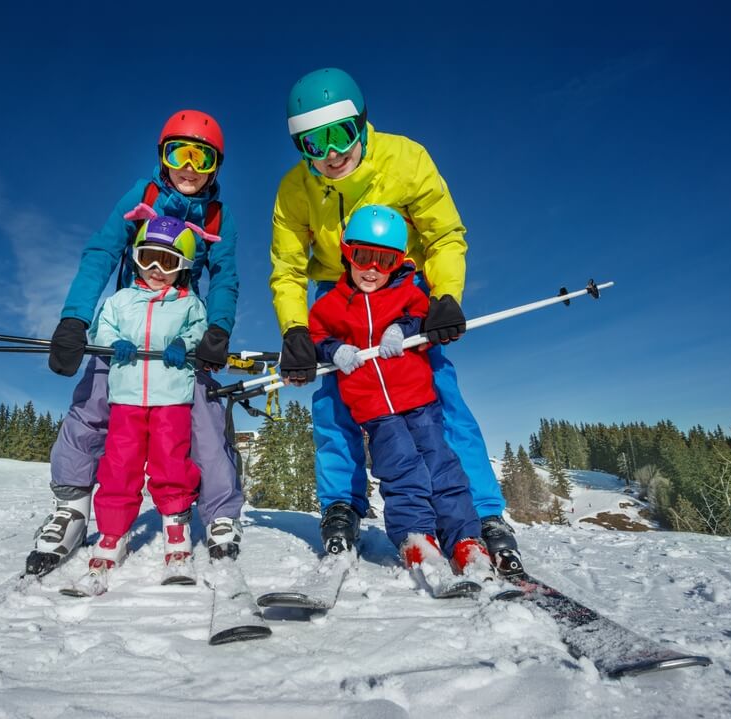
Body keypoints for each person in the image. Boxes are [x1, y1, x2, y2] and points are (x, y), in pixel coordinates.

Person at [270, 67, 522, 574]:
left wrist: (445, 295)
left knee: (435, 395)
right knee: (335, 399)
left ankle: (484, 513)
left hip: (402, 290)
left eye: (339, 135)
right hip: (336, 296)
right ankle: (341, 505)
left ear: (362, 123)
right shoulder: (295, 189)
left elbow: (445, 234)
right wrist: (297, 331)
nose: (331, 155)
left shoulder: (406, 159)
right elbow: (288, 268)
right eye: (312, 145)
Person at [28, 110, 243, 576]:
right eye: (177, 153)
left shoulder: (216, 214)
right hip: (126, 331)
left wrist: (216, 330)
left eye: (201, 157)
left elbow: (224, 276)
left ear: (214, 167)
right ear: (162, 158)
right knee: (91, 405)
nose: (188, 166)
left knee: (203, 417)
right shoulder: (142, 195)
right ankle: (72, 508)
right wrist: (75, 320)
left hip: (180, 335)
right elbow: (104, 250)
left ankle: (220, 512)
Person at [308, 205, 493, 580]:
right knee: (400, 473)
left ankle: (465, 538)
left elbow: (423, 318)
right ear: (347, 252)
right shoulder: (331, 305)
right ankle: (417, 538)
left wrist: (402, 329)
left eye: (385, 260)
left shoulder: (408, 293)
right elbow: (315, 336)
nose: (372, 269)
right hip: (375, 411)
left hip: (420, 403)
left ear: (398, 262)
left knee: (443, 468)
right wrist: (333, 350)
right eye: (363, 257)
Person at [88, 216, 207, 575]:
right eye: (148, 258)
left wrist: (182, 344)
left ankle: (175, 524)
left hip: (170, 398)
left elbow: (199, 330)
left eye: (167, 261)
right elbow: (101, 328)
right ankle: (112, 532)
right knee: (119, 464)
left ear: (182, 267)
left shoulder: (189, 304)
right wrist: (113, 344)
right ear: (136, 258)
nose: (156, 269)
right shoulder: (121, 300)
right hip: (126, 398)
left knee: (170, 462)